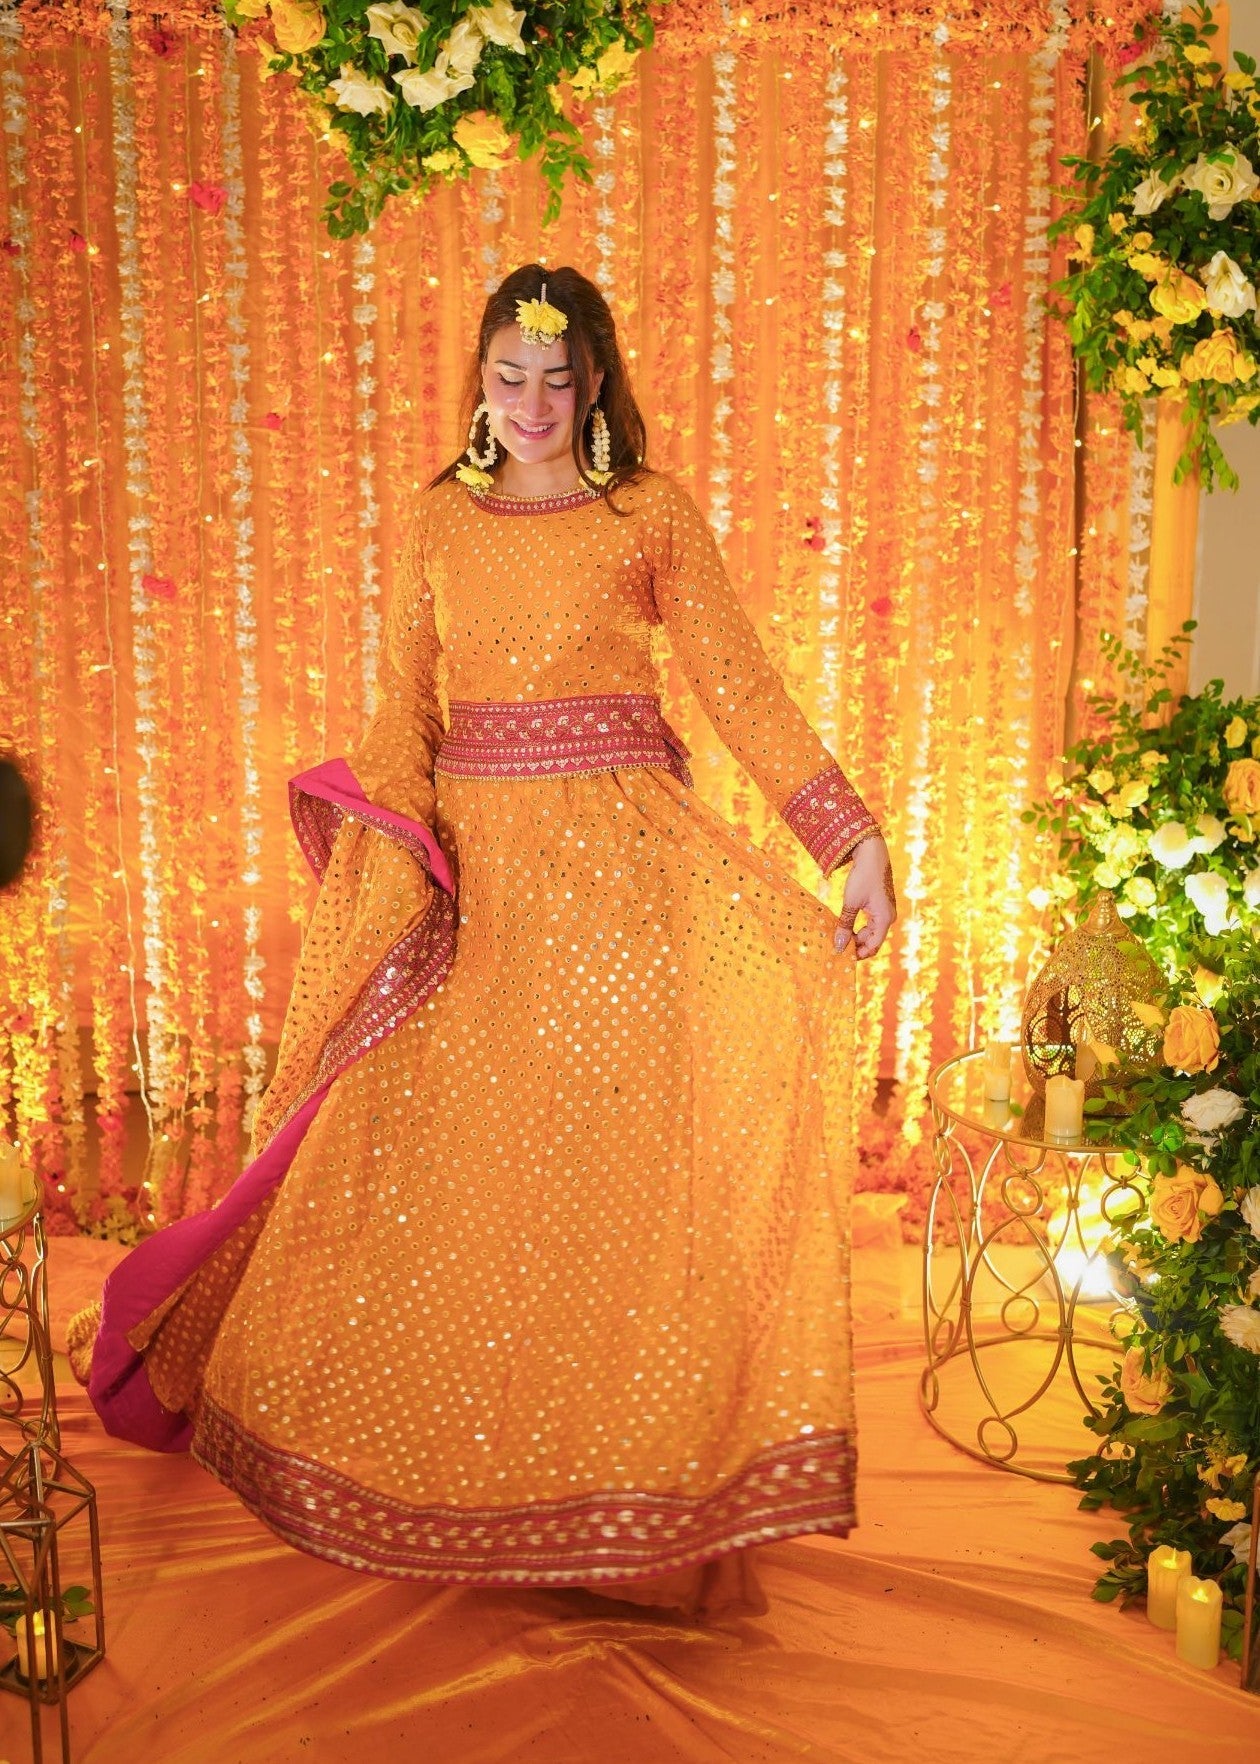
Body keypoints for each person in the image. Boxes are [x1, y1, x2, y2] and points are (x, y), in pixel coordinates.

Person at [72, 264, 896, 1622]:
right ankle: (473, 1484)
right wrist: (395, 859)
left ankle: (633, 1512)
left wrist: (845, 835)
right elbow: (405, 711)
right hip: (485, 900)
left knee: (614, 1180)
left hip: (625, 892)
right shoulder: (440, 519)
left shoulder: (646, 512)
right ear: (480, 382)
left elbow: (739, 682)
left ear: (596, 382)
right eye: (509, 377)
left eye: (557, 379)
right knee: (470, 1180)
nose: (531, 403)